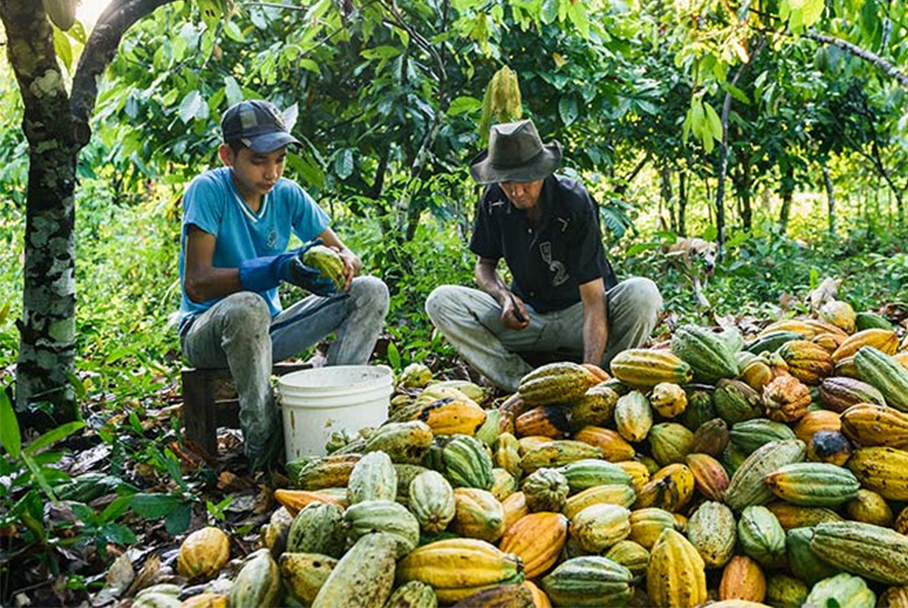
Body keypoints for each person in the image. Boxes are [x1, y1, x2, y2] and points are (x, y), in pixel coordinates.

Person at [177, 99, 389, 467]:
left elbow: (347, 252)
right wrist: (273, 269)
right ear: (228, 156)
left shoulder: (287, 194)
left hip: (267, 330)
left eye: (279, 160)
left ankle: (336, 412)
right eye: (259, 161)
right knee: (248, 305)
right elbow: (196, 283)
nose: (271, 172)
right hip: (206, 331)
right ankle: (263, 444)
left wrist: (341, 265)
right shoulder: (208, 191)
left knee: (370, 290)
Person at [426, 119, 662, 392]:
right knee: (441, 301)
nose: (515, 190)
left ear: (541, 171)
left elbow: (594, 301)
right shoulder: (493, 199)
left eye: (523, 180)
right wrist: (503, 297)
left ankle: (604, 381)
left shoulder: (573, 201)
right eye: (506, 182)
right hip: (529, 320)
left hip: (579, 317)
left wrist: (587, 378)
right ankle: (523, 384)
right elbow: (484, 265)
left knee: (644, 293)